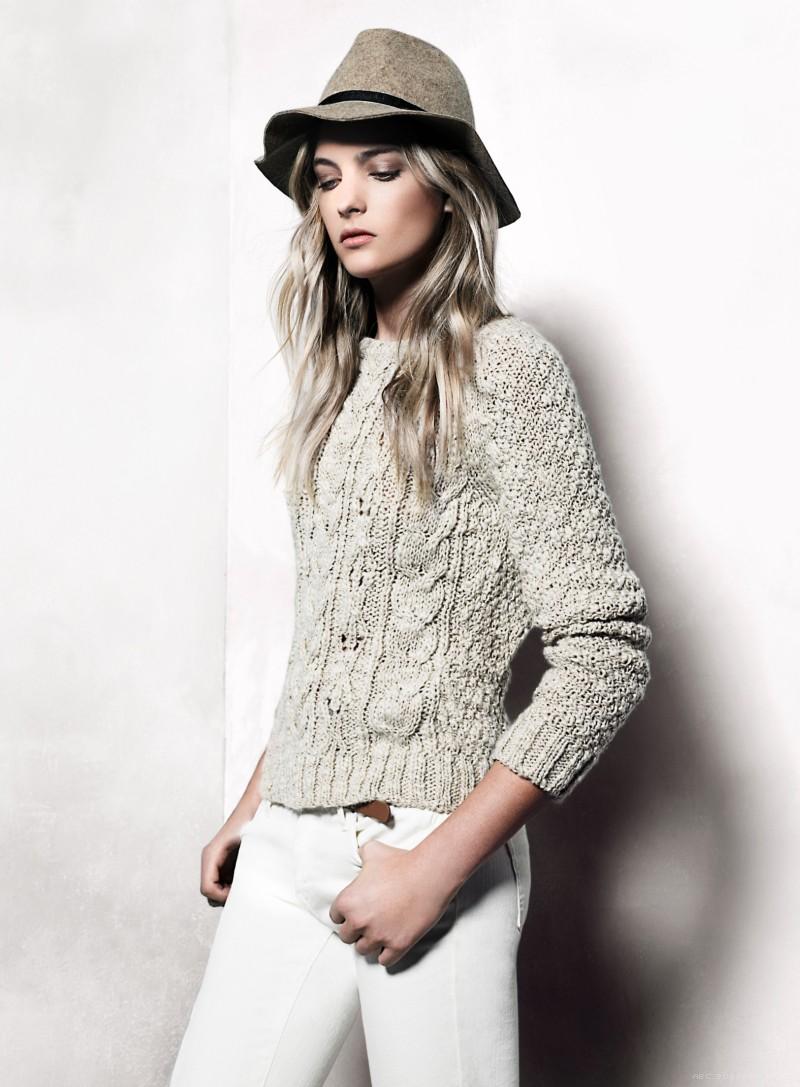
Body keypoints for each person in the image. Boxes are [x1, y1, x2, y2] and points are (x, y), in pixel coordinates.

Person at [168, 27, 653, 1087]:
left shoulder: (508, 367)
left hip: (430, 845)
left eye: (382, 170)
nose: (346, 200)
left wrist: (436, 867)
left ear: (445, 189)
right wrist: (259, 799)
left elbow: (605, 651)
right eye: (326, 179)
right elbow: (340, 635)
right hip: (286, 843)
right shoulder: (338, 381)